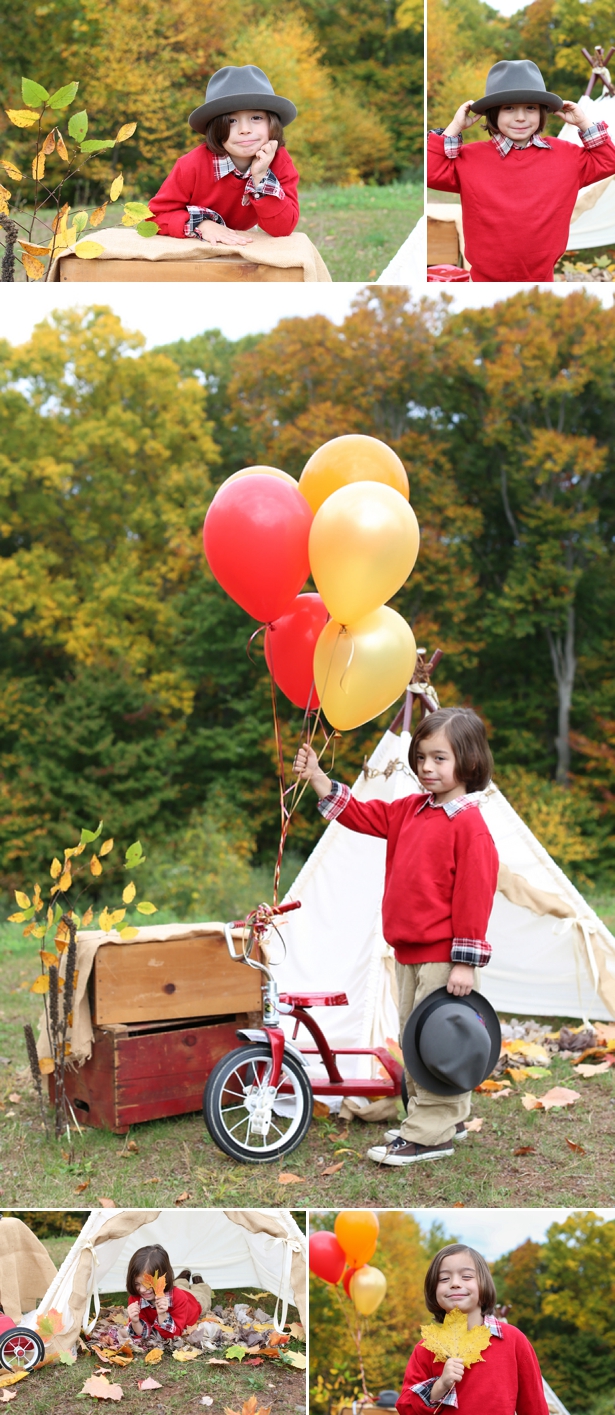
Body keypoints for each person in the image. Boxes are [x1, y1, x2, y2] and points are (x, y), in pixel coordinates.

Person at [293, 706, 499, 1166]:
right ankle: (451, 1117)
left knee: (434, 1044)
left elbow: (474, 896)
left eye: (440, 759)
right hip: (409, 952)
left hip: (445, 957)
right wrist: (320, 780)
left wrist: (464, 961)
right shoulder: (411, 810)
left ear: (468, 762)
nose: (427, 767)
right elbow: (364, 816)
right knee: (417, 1037)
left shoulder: (469, 826)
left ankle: (429, 1135)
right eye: (422, 757)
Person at [427, 59, 615, 281]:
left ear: (542, 112)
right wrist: (455, 127)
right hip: (483, 281)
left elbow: (608, 161)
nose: (520, 117)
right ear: (492, 113)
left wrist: (583, 122)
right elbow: (431, 172)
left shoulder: (566, 156)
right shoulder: (470, 158)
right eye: (509, 108)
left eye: (530, 108)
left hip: (543, 279)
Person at [148, 65, 299, 243]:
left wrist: (261, 177)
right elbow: (154, 216)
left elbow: (283, 228)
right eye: (231, 121)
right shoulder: (191, 165)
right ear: (216, 128)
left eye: (256, 118)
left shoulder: (279, 160)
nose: (245, 130)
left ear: (272, 123)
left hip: (246, 240)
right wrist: (202, 224)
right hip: (198, 243)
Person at [397, 1243, 549, 1413]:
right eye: (444, 1279)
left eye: (467, 1276)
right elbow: (406, 1408)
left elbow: (534, 1407)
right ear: (433, 1290)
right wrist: (439, 1386)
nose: (454, 1283)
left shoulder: (513, 1341)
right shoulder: (426, 1349)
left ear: (483, 1284)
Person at [126, 1245, 205, 1341]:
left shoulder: (180, 1298)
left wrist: (163, 1315)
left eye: (148, 1283)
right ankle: (183, 1277)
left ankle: (199, 1282)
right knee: (179, 1284)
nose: (142, 1290)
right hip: (171, 1290)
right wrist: (135, 1322)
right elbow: (141, 1335)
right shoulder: (136, 1299)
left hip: (193, 1301)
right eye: (136, 1283)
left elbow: (174, 1335)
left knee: (202, 1293)